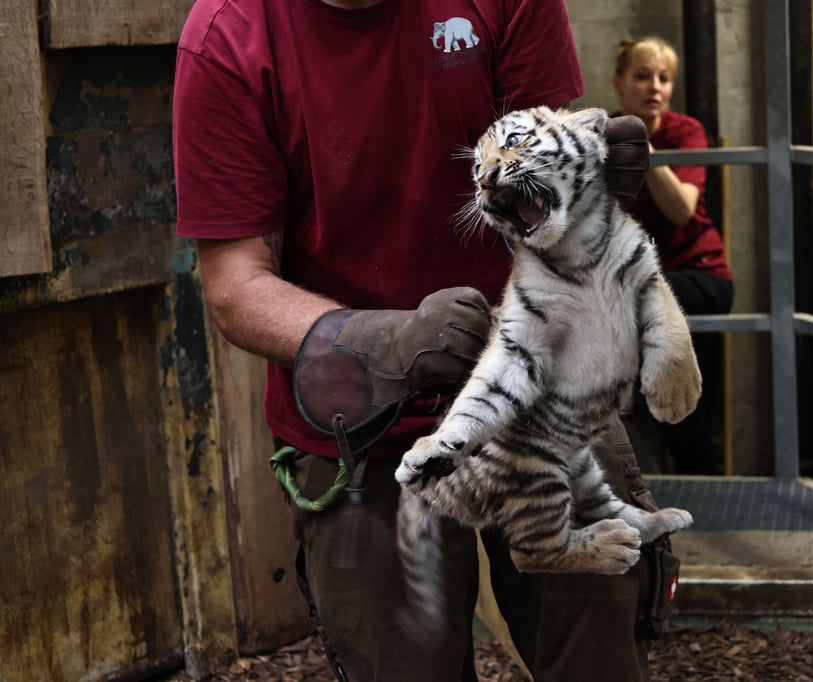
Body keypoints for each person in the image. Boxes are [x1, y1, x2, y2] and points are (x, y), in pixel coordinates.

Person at [172, 2, 674, 681]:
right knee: (401, 662)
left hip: (537, 380)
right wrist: (379, 339)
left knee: (599, 651)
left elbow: (542, 182)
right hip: (359, 420)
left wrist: (584, 195)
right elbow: (235, 285)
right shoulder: (228, 38)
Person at [612, 36, 734, 476]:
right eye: (642, 76)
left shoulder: (684, 132)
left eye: (664, 78)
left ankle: (694, 473)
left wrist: (640, 147)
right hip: (639, 282)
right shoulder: (604, 131)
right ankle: (642, 469)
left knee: (670, 365)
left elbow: (681, 209)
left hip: (699, 277)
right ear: (619, 82)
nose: (655, 87)